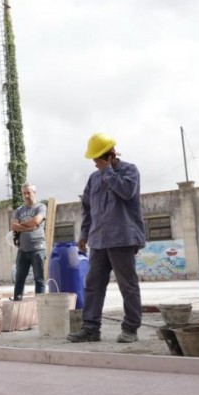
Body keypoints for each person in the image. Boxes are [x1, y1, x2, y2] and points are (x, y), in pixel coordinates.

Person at [67, 133, 146, 344]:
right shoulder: (94, 178)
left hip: (122, 238)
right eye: (94, 159)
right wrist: (84, 233)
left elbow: (127, 192)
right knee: (93, 285)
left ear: (110, 155)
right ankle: (91, 329)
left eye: (99, 159)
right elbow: (87, 208)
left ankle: (130, 329)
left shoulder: (129, 171)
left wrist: (108, 171)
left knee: (127, 285)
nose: (95, 163)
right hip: (98, 240)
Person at [12, 183, 47, 300]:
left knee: (39, 278)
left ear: (34, 193)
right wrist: (29, 227)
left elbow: (36, 220)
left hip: (38, 248)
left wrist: (21, 225)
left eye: (28, 192)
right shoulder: (19, 210)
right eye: (24, 193)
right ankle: (17, 302)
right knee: (19, 278)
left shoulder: (41, 207)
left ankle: (40, 304)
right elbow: (14, 226)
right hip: (23, 249)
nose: (26, 195)